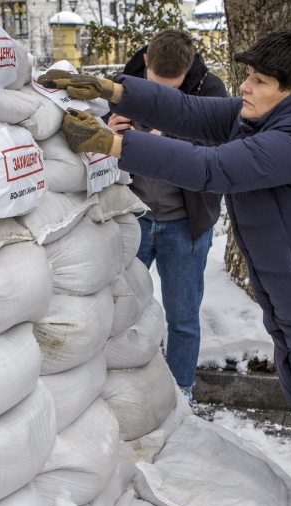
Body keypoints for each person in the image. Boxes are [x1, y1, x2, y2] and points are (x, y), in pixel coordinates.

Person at [38, 30, 291, 506]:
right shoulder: (260, 118)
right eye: (246, 76)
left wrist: (113, 144)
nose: (244, 87)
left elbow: (211, 169)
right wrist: (114, 91)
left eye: (258, 80)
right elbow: (189, 114)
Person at [108, 30, 228, 402]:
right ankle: (122, 391)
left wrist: (169, 140)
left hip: (186, 223)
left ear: (189, 69)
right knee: (119, 312)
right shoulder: (120, 86)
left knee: (183, 319)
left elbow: (220, 147)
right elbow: (90, 136)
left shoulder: (211, 92)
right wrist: (106, 128)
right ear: (145, 61)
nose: (161, 97)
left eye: (171, 91)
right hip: (134, 216)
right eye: (156, 87)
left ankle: (181, 394)